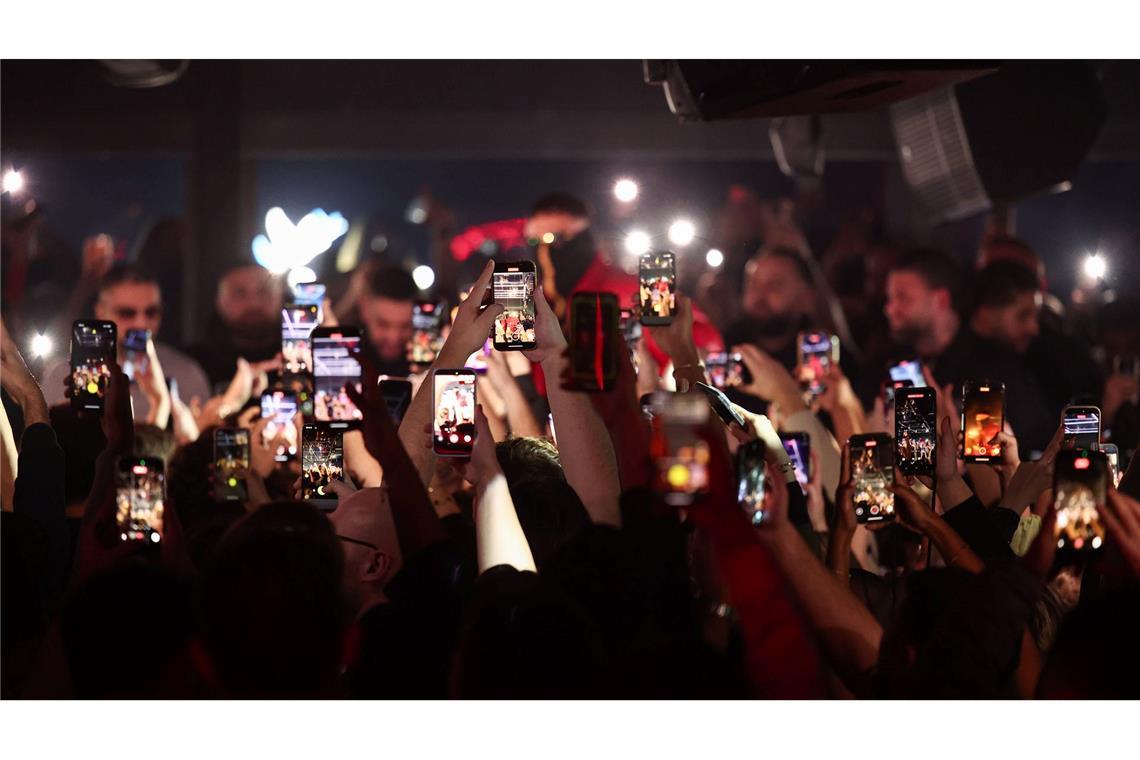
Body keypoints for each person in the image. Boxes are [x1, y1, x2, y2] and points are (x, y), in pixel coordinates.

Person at [40, 266, 210, 421]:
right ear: (101, 311)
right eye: (127, 313)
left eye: (151, 312)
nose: (141, 324)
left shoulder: (187, 374)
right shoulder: (62, 375)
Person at [186, 264, 283, 391]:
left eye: (263, 291)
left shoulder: (304, 359)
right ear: (220, 301)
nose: (254, 303)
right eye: (240, 293)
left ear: (280, 296)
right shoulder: (192, 365)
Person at [357, 265, 417, 377]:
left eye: (405, 326)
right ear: (364, 309)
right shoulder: (345, 358)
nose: (393, 338)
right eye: (383, 324)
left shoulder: (425, 363)